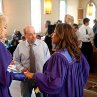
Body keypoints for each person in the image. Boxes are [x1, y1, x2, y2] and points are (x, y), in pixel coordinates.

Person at [24, 23, 90, 97]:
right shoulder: (76, 52)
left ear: (61, 36)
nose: (52, 34)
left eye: (55, 32)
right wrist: (76, 85)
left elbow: (54, 83)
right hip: (75, 91)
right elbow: (85, 70)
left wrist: (34, 75)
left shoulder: (59, 57)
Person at [13, 25, 50, 97]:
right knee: (26, 95)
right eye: (30, 34)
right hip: (26, 79)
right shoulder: (20, 46)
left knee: (40, 95)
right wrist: (21, 69)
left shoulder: (43, 45)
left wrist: (46, 76)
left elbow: (48, 61)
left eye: (34, 33)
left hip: (39, 79)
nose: (33, 36)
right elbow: (16, 60)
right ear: (25, 35)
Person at [0, 15, 25, 97]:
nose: (6, 30)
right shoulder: (1, 48)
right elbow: (5, 79)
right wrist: (12, 65)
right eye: (5, 27)